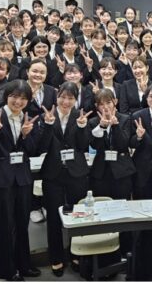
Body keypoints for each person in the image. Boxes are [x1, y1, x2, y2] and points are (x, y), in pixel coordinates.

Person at [0, 80, 44, 281]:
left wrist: (26, 136)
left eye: (23, 98)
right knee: (5, 225)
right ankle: (8, 270)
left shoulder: (29, 119)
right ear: (6, 96)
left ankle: (24, 265)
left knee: (22, 223)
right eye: (14, 97)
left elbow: (33, 150)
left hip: (23, 177)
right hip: (1, 177)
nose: (18, 101)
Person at [40, 83, 91, 276]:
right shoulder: (48, 115)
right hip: (52, 173)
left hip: (76, 172)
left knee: (78, 214)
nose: (66, 101)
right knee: (54, 217)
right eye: (63, 97)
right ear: (57, 96)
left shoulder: (80, 116)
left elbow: (83, 146)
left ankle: (77, 254)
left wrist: (82, 127)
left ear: (76, 99)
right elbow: (41, 147)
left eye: (70, 98)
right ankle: (56, 257)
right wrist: (47, 125)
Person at [88, 88, 135, 200]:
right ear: (96, 106)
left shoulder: (125, 119)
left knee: (123, 204)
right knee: (101, 203)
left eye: (108, 102)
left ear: (115, 101)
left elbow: (123, 144)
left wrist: (115, 125)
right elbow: (94, 146)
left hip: (122, 170)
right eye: (101, 104)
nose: (105, 107)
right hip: (100, 170)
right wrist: (101, 127)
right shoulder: (93, 122)